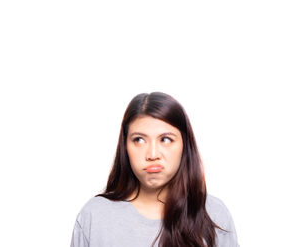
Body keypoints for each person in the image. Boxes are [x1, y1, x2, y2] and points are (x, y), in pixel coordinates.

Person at [70, 92, 239, 247]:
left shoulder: (214, 214)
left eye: (165, 139)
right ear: (125, 146)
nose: (152, 154)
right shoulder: (94, 215)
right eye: (139, 140)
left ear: (184, 146)